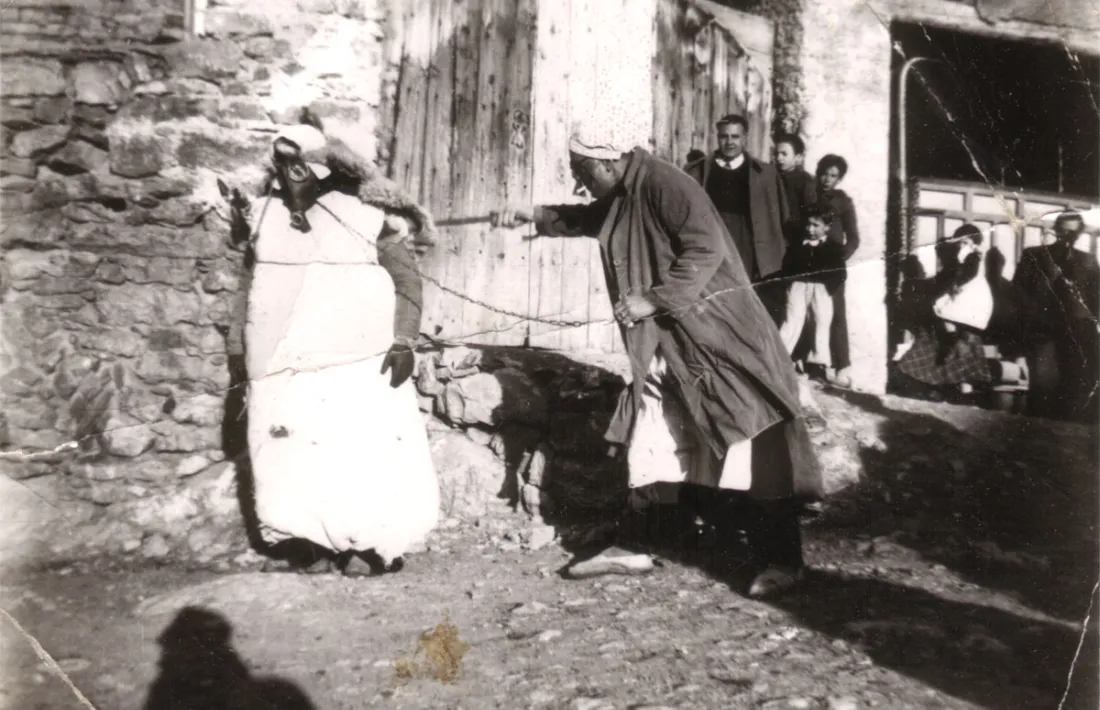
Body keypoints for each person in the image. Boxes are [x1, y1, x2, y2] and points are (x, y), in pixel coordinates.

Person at [491, 118, 822, 598]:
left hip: (721, 337)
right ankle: (638, 544)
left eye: (582, 170)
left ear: (608, 161)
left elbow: (705, 247)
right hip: (670, 342)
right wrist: (536, 215)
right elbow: (593, 217)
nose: (579, 181)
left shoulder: (666, 183)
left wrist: (653, 299)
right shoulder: (624, 190)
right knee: (657, 435)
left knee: (751, 436)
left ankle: (782, 559)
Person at [227, 116, 441, 577]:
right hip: (285, 358)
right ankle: (311, 546)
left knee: (358, 447)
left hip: (357, 359)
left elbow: (407, 280)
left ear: (323, 165)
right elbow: (248, 288)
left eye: (301, 161)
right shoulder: (265, 217)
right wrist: (238, 351)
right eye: (283, 162)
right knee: (293, 450)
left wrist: (404, 340)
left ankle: (367, 546)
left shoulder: (365, 214)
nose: (292, 170)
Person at [683, 114, 791, 323]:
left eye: (735, 136)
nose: (730, 142)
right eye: (724, 136)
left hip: (748, 247)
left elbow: (781, 218)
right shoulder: (697, 171)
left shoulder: (765, 174)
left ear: (745, 138)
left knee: (747, 304)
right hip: (711, 244)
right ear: (717, 137)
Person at [1012, 210, 1099, 422]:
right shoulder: (1034, 256)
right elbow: (1018, 292)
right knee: (1042, 389)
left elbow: (1096, 300)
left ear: (1079, 234)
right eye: (1064, 231)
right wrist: (1035, 316)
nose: (1068, 237)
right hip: (1044, 332)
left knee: (1073, 390)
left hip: (1077, 335)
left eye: (1073, 233)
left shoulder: (1087, 261)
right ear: (1056, 230)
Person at [892, 224, 996, 399]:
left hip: (967, 303)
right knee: (951, 344)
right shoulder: (962, 258)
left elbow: (967, 274)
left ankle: (961, 390)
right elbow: (950, 277)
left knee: (956, 344)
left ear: (972, 243)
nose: (960, 245)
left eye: (964, 242)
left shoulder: (972, 256)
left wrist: (956, 280)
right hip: (961, 306)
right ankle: (953, 388)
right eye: (959, 242)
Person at [778, 203, 847, 380]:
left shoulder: (833, 248)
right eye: (808, 224)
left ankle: (818, 364)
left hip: (821, 289)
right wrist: (791, 283)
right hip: (798, 287)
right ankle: (779, 357)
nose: (810, 229)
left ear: (827, 227)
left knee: (821, 322)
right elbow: (786, 267)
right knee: (792, 320)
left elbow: (840, 273)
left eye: (816, 225)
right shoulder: (797, 247)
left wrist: (827, 287)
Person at [814, 154, 859, 388]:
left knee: (836, 313)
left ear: (839, 178)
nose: (827, 179)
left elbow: (854, 238)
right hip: (808, 262)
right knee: (808, 311)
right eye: (824, 173)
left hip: (832, 265)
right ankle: (814, 364)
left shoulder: (843, 201)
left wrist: (839, 258)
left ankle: (842, 366)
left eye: (833, 176)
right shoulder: (808, 194)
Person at [774, 134, 817, 233]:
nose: (779, 158)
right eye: (776, 154)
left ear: (798, 157)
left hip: (794, 233)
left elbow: (811, 212)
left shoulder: (805, 181)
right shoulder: (771, 176)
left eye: (784, 154)